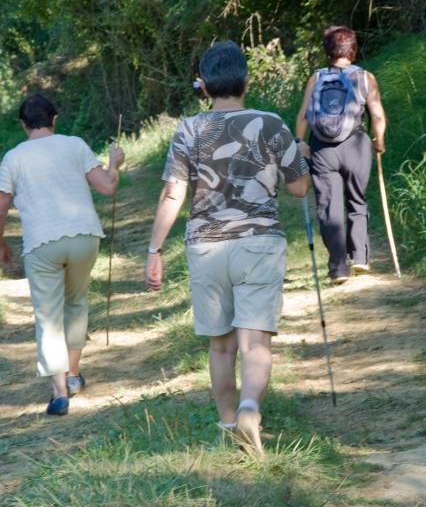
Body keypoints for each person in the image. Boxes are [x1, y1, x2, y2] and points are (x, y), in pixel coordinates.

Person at [144, 41, 309, 455]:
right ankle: (251, 408)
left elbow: (172, 194)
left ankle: (227, 423)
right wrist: (300, 156)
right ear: (246, 81)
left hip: (206, 247)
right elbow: (299, 187)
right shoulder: (271, 123)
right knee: (255, 343)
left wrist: (154, 250)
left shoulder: (189, 129)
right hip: (259, 243)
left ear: (203, 88)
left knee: (221, 345)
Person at [0, 94, 125, 416]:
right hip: (85, 237)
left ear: (22, 124)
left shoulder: (13, 158)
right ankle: (72, 374)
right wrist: (114, 163)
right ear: (54, 119)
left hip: (42, 243)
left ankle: (59, 393)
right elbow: (108, 188)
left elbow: (1, 207)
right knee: (76, 302)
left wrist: (1, 243)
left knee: (48, 314)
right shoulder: (75, 144)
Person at [295, 26, 386, 284]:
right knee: (357, 200)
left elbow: (303, 114)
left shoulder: (316, 78)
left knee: (328, 206)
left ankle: (337, 268)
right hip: (356, 144)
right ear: (352, 49)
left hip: (322, 148)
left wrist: (300, 142)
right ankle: (360, 258)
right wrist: (379, 140)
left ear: (328, 51)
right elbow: (377, 114)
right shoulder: (366, 77)